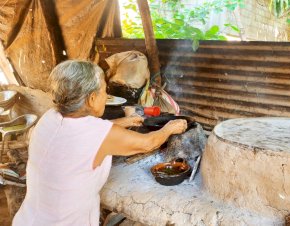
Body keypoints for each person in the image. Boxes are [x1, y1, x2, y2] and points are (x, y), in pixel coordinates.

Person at [12, 60, 187, 226]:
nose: (106, 97)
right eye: (104, 91)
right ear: (91, 99)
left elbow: (83, 133)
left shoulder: (49, 117)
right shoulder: (96, 133)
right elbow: (148, 143)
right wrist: (170, 128)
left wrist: (124, 121)